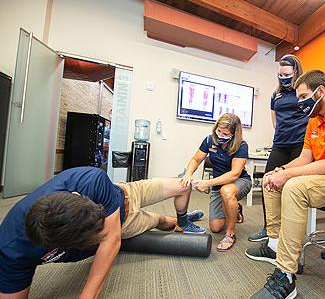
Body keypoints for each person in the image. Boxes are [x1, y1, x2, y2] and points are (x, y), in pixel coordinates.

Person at [0, 166, 205, 299]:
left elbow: (111, 240)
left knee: (181, 186)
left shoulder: (88, 179)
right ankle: (168, 221)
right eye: (98, 230)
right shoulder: (11, 251)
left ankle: (183, 220)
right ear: (68, 244)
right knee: (158, 221)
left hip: (127, 192)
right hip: (125, 224)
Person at [247, 70, 325, 299]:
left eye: (303, 97)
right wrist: (281, 171)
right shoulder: (313, 120)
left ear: (320, 92)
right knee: (272, 178)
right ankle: (274, 244)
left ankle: (286, 273)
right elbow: (305, 158)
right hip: (318, 176)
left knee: (291, 186)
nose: (299, 103)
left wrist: (288, 176)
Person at [248, 54, 309, 243]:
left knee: (291, 187)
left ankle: (289, 232)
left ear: (296, 72)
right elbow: (275, 121)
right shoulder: (276, 94)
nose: (283, 78)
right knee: (269, 182)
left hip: (300, 144)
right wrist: (283, 132)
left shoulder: (303, 90)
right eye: (280, 74)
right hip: (280, 144)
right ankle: (269, 227)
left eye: (287, 74)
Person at [181, 113, 252, 251]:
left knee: (226, 191)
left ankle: (230, 234)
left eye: (225, 134)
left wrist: (207, 183)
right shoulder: (209, 140)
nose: (220, 135)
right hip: (218, 184)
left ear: (234, 134)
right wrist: (188, 174)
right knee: (215, 228)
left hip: (239, 181)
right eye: (219, 131)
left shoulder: (241, 145)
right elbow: (196, 159)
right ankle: (235, 209)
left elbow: (234, 174)